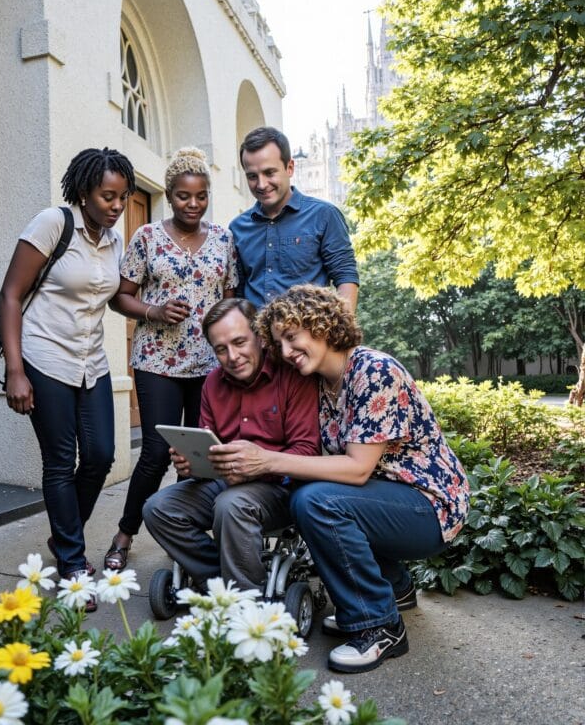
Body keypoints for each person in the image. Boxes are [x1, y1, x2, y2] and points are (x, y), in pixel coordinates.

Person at [209, 284, 469, 673]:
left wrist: (266, 461)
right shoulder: (322, 383)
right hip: (386, 500)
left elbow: (357, 469)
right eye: (278, 343)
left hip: (427, 506)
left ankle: (379, 626)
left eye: (292, 337)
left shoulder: (374, 371)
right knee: (315, 495)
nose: (285, 352)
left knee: (315, 501)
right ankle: (394, 589)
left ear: (323, 326)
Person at [0, 147, 136, 609]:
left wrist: (152, 309)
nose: (117, 206)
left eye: (123, 197)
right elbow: (11, 295)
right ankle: (73, 566)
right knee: (60, 460)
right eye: (108, 196)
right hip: (43, 355)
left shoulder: (114, 240)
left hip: (90, 359)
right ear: (84, 192)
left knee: (100, 454)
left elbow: (111, 297)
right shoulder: (53, 224)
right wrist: (14, 370)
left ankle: (64, 539)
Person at [106, 148, 238, 571]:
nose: (193, 205)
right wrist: (154, 311)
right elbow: (119, 297)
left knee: (198, 456)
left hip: (209, 366)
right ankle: (124, 534)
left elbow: (230, 301)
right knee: (156, 453)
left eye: (200, 197)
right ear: (169, 194)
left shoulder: (223, 239)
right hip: (157, 360)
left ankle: (183, 538)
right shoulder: (146, 237)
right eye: (184, 197)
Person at [142, 298, 320, 593]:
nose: (232, 356)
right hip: (225, 482)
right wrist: (191, 463)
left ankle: (246, 607)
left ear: (261, 337)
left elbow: (307, 452)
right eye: (221, 349)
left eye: (240, 342)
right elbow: (209, 449)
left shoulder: (291, 377)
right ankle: (219, 582)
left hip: (279, 488)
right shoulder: (213, 383)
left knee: (231, 505)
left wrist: (260, 463)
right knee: (158, 508)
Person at [230, 126, 359, 311]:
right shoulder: (237, 228)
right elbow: (238, 294)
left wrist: (340, 335)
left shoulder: (324, 215)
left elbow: (345, 277)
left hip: (309, 336)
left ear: (289, 167)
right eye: (252, 176)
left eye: (269, 173)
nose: (261, 184)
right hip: (256, 338)